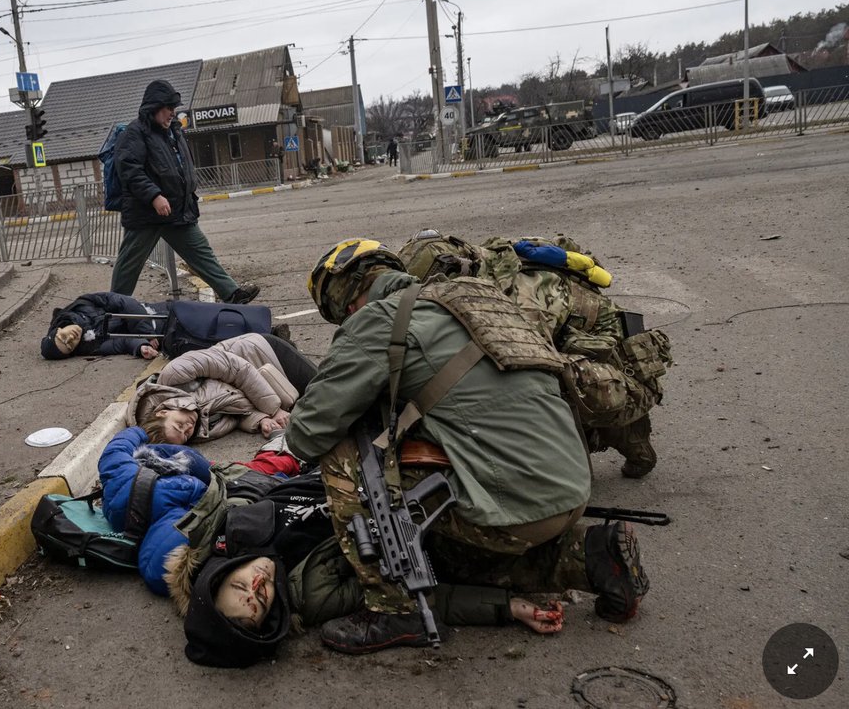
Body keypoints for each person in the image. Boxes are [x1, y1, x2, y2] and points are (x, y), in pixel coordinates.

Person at [287, 238, 651, 654]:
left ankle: (395, 608)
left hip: (515, 508)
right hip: (569, 488)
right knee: (445, 556)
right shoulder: (478, 296)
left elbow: (306, 433)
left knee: (348, 450)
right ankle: (592, 555)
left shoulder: (378, 321)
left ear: (346, 302)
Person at [97, 429, 567, 669]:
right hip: (388, 491)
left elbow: (238, 482)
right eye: (260, 599)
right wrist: (510, 608)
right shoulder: (314, 596)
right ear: (274, 613)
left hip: (321, 463)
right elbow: (412, 596)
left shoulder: (221, 530)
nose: (258, 583)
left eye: (242, 584)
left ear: (223, 571)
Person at [398, 230, 673, 477]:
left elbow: (528, 371)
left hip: (620, 375)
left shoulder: (520, 298)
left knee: (527, 387)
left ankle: (612, 440)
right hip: (581, 350)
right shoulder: (487, 266)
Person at [109, 79, 259, 305]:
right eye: (169, 108)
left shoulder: (173, 132)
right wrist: (154, 196)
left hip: (177, 210)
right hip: (147, 214)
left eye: (174, 108)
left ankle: (231, 293)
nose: (172, 113)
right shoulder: (135, 133)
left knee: (201, 252)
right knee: (130, 263)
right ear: (154, 107)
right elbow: (129, 169)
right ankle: (113, 306)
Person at [126, 333, 304, 443]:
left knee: (326, 391)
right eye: (185, 435)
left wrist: (273, 410)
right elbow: (234, 411)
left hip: (261, 354)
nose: (188, 427)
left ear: (162, 412)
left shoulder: (175, 374)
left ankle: (281, 340)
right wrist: (261, 420)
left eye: (179, 425)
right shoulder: (198, 431)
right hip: (279, 386)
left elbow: (238, 370)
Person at [40, 291, 169, 361]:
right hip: (164, 332)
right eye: (68, 346)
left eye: (63, 337)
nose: (70, 339)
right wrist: (141, 347)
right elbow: (121, 343)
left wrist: (146, 331)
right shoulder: (89, 346)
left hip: (152, 312)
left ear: (59, 329)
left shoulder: (81, 304)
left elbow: (119, 300)